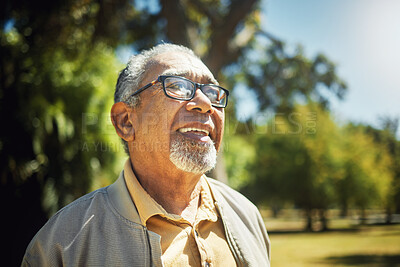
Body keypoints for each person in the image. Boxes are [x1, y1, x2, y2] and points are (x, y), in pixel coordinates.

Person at [22, 43, 270, 266]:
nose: (205, 103)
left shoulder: (247, 215)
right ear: (126, 121)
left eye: (213, 92)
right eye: (177, 86)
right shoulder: (62, 244)